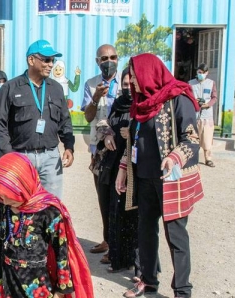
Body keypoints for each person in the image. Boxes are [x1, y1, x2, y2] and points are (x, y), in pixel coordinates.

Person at [115, 53, 203, 298]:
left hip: (170, 179)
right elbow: (132, 141)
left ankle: (182, 291)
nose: (130, 80)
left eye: (133, 74)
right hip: (143, 177)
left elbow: (192, 138)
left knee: (175, 235)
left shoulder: (178, 98)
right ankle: (149, 281)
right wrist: (123, 170)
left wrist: (174, 157)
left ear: (147, 72)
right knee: (145, 231)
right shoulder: (140, 103)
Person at [0, 152, 93, 298]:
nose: (3, 198)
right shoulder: (3, 206)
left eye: (9, 194)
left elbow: (61, 252)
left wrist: (61, 290)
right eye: (0, 193)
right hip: (5, 281)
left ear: (23, 186)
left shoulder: (48, 212)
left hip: (35, 286)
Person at [0, 39, 74, 200]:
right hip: (21, 157)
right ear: (31, 60)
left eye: (53, 60)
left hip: (51, 158)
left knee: (51, 207)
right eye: (46, 60)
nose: (51, 64)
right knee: (21, 208)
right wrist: (9, 155)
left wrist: (69, 146)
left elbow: (65, 121)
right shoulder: (10, 88)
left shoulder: (56, 89)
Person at [92, 68, 139, 276]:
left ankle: (134, 261)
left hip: (134, 166)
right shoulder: (118, 104)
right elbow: (104, 122)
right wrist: (108, 133)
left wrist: (131, 134)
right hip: (113, 165)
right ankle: (116, 255)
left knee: (131, 213)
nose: (129, 88)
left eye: (132, 84)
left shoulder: (143, 105)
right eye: (125, 85)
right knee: (114, 209)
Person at [82, 44, 121, 257]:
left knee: (121, 197)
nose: (109, 61)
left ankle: (119, 244)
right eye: (104, 58)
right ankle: (107, 240)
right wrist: (96, 97)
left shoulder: (126, 81)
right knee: (103, 196)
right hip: (100, 149)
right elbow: (88, 117)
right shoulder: (90, 84)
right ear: (98, 61)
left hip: (123, 147)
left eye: (113, 57)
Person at [188, 63, 217, 167]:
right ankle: (192, 158)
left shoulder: (211, 83)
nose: (200, 74)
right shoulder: (191, 83)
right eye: (198, 72)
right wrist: (194, 101)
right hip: (194, 114)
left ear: (206, 73)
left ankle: (208, 159)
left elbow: (214, 97)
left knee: (207, 139)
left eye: (202, 73)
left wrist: (208, 104)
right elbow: (187, 96)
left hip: (206, 116)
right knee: (193, 137)